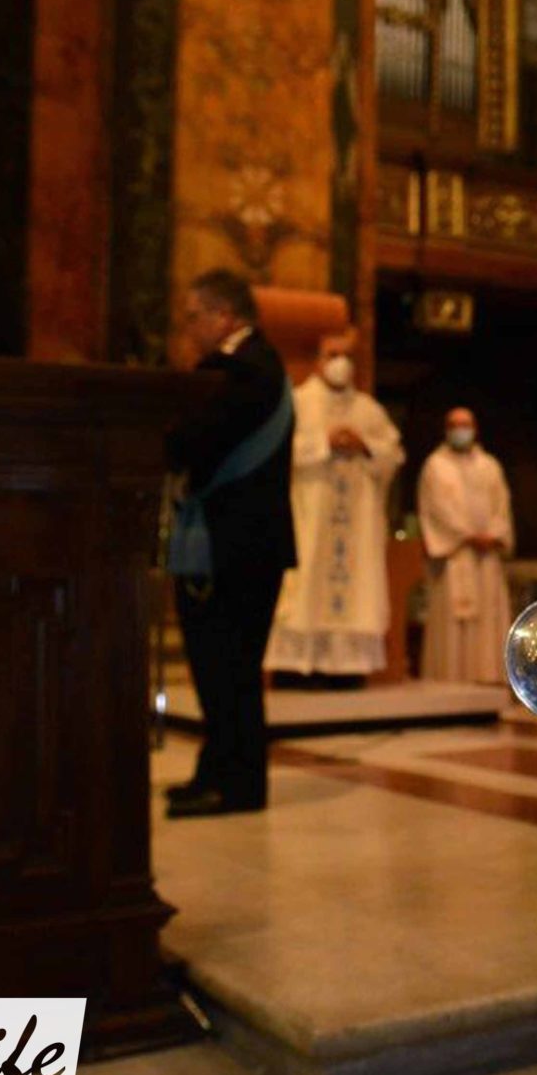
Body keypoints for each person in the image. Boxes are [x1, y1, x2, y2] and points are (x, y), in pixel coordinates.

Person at [164, 268, 296, 819]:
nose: (188, 328)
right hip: (244, 543)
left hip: (235, 545)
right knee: (222, 667)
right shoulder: (254, 364)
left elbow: (190, 441)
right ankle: (217, 772)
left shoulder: (241, 370)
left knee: (227, 667)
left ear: (225, 316)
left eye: (193, 316)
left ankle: (236, 786)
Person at [264, 330, 404, 689]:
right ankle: (296, 669)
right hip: (310, 516)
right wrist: (324, 443)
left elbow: (393, 454)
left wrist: (364, 445)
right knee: (305, 585)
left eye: (347, 356)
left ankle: (345, 670)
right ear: (317, 361)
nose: (341, 362)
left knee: (355, 590)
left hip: (355, 521)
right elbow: (278, 452)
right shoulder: (298, 402)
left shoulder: (368, 409)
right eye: (332, 354)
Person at [417, 407, 516, 684]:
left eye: (466, 424)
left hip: (486, 557)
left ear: (475, 429)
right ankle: (450, 682)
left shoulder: (490, 466)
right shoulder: (435, 466)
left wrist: (493, 534)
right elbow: (436, 509)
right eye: (455, 425)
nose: (461, 430)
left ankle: (488, 680)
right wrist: (468, 535)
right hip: (454, 556)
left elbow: (502, 507)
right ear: (446, 429)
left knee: (488, 620)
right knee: (453, 624)